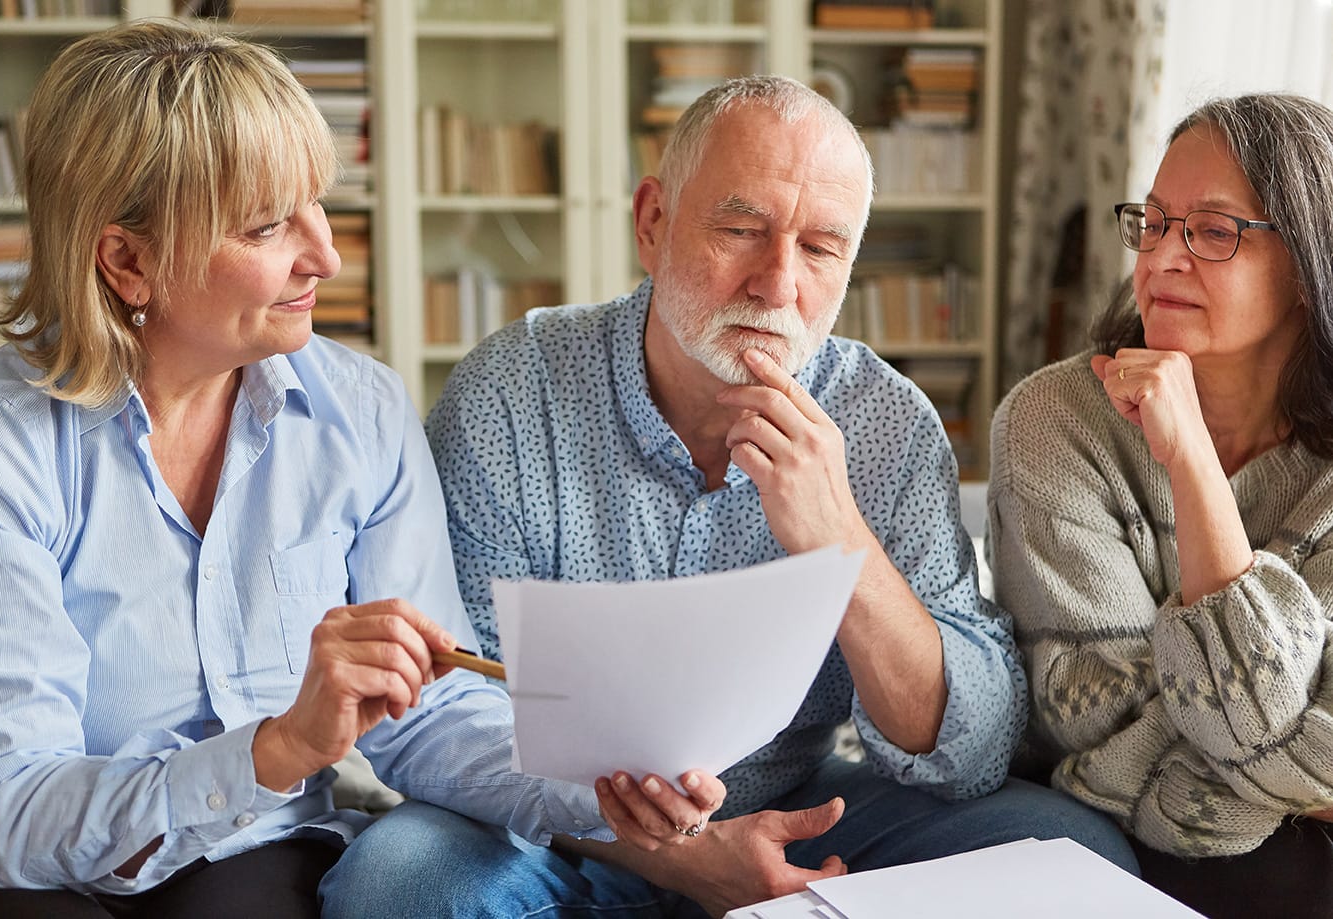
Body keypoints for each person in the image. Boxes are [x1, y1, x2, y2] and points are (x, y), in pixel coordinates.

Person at [0, 21, 723, 918]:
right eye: (266, 225)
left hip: (258, 848)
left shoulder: (360, 412)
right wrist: (276, 749)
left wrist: (598, 789)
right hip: (43, 868)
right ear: (127, 260)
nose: (325, 256)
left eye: (316, 205)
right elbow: (2, 805)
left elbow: (429, 717)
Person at [323, 75, 1136, 917]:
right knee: (397, 882)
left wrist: (840, 541)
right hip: (553, 825)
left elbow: (969, 749)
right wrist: (679, 855)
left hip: (797, 800)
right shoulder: (512, 392)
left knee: (1079, 854)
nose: (777, 284)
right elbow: (456, 704)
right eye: (742, 229)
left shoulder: (888, 422)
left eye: (820, 248)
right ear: (652, 222)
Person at [989, 92, 1333, 919]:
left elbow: (1209, 726)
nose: (1161, 259)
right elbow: (1099, 726)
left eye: (1214, 231)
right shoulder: (1053, 422)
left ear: (1310, 260)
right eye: (1152, 222)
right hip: (1124, 841)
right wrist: (1188, 460)